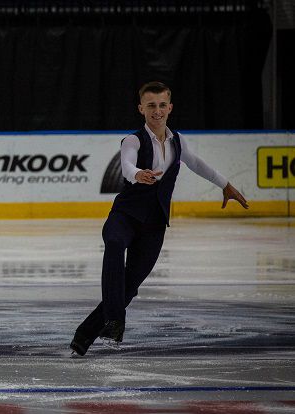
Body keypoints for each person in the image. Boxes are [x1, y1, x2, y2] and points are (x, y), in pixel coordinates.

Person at [69, 81, 249, 357]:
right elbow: (128, 163)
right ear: (141, 108)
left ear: (170, 107)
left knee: (129, 285)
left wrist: (224, 184)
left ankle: (84, 336)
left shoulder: (178, 141)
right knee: (114, 245)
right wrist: (136, 174)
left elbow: (197, 163)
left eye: (162, 105)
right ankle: (115, 320)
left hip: (154, 225)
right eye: (151, 105)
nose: (157, 110)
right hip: (125, 216)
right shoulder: (133, 140)